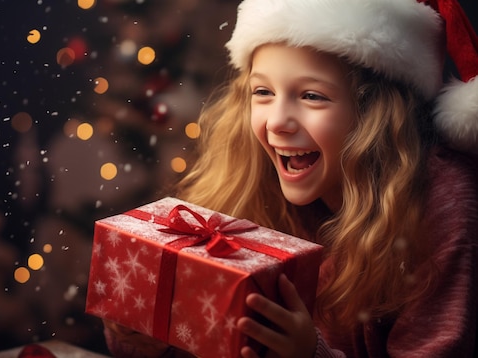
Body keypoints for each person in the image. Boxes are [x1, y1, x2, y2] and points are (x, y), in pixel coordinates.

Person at [102, 0, 478, 356]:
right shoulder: (250, 187)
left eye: (312, 96)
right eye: (262, 91)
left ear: (377, 114)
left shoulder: (441, 206)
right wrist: (149, 339)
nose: (277, 122)